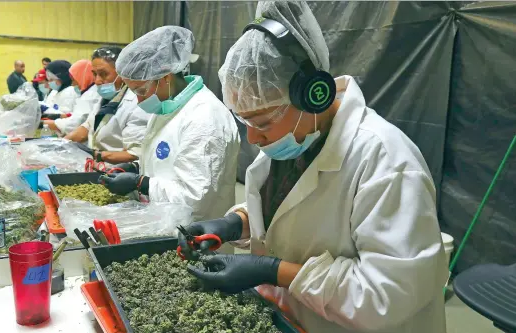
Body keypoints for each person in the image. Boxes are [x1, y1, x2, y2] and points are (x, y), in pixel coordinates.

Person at [179, 2, 448, 333]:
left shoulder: (386, 161)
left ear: (313, 97)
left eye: (261, 122)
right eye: (244, 121)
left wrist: (272, 270)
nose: (253, 137)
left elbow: (386, 296)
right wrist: (235, 224)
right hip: (294, 319)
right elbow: (288, 210)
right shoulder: (296, 134)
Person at [99, 27, 240, 221]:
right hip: (162, 222)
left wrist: (141, 183)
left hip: (195, 234)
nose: (139, 102)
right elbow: (167, 162)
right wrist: (135, 168)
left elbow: (194, 199)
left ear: (165, 77)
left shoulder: (205, 118)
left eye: (141, 91)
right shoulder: (167, 106)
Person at [65, 46, 150, 164]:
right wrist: (61, 144)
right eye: (94, 74)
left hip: (119, 172)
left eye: (103, 74)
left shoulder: (136, 103)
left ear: (123, 73)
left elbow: (134, 154)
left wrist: (95, 154)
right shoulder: (107, 99)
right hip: (99, 166)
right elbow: (88, 126)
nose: (97, 81)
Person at [43, 59, 101, 135]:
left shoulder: (90, 94)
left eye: (74, 80)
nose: (73, 84)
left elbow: (74, 123)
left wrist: (44, 123)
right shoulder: (86, 93)